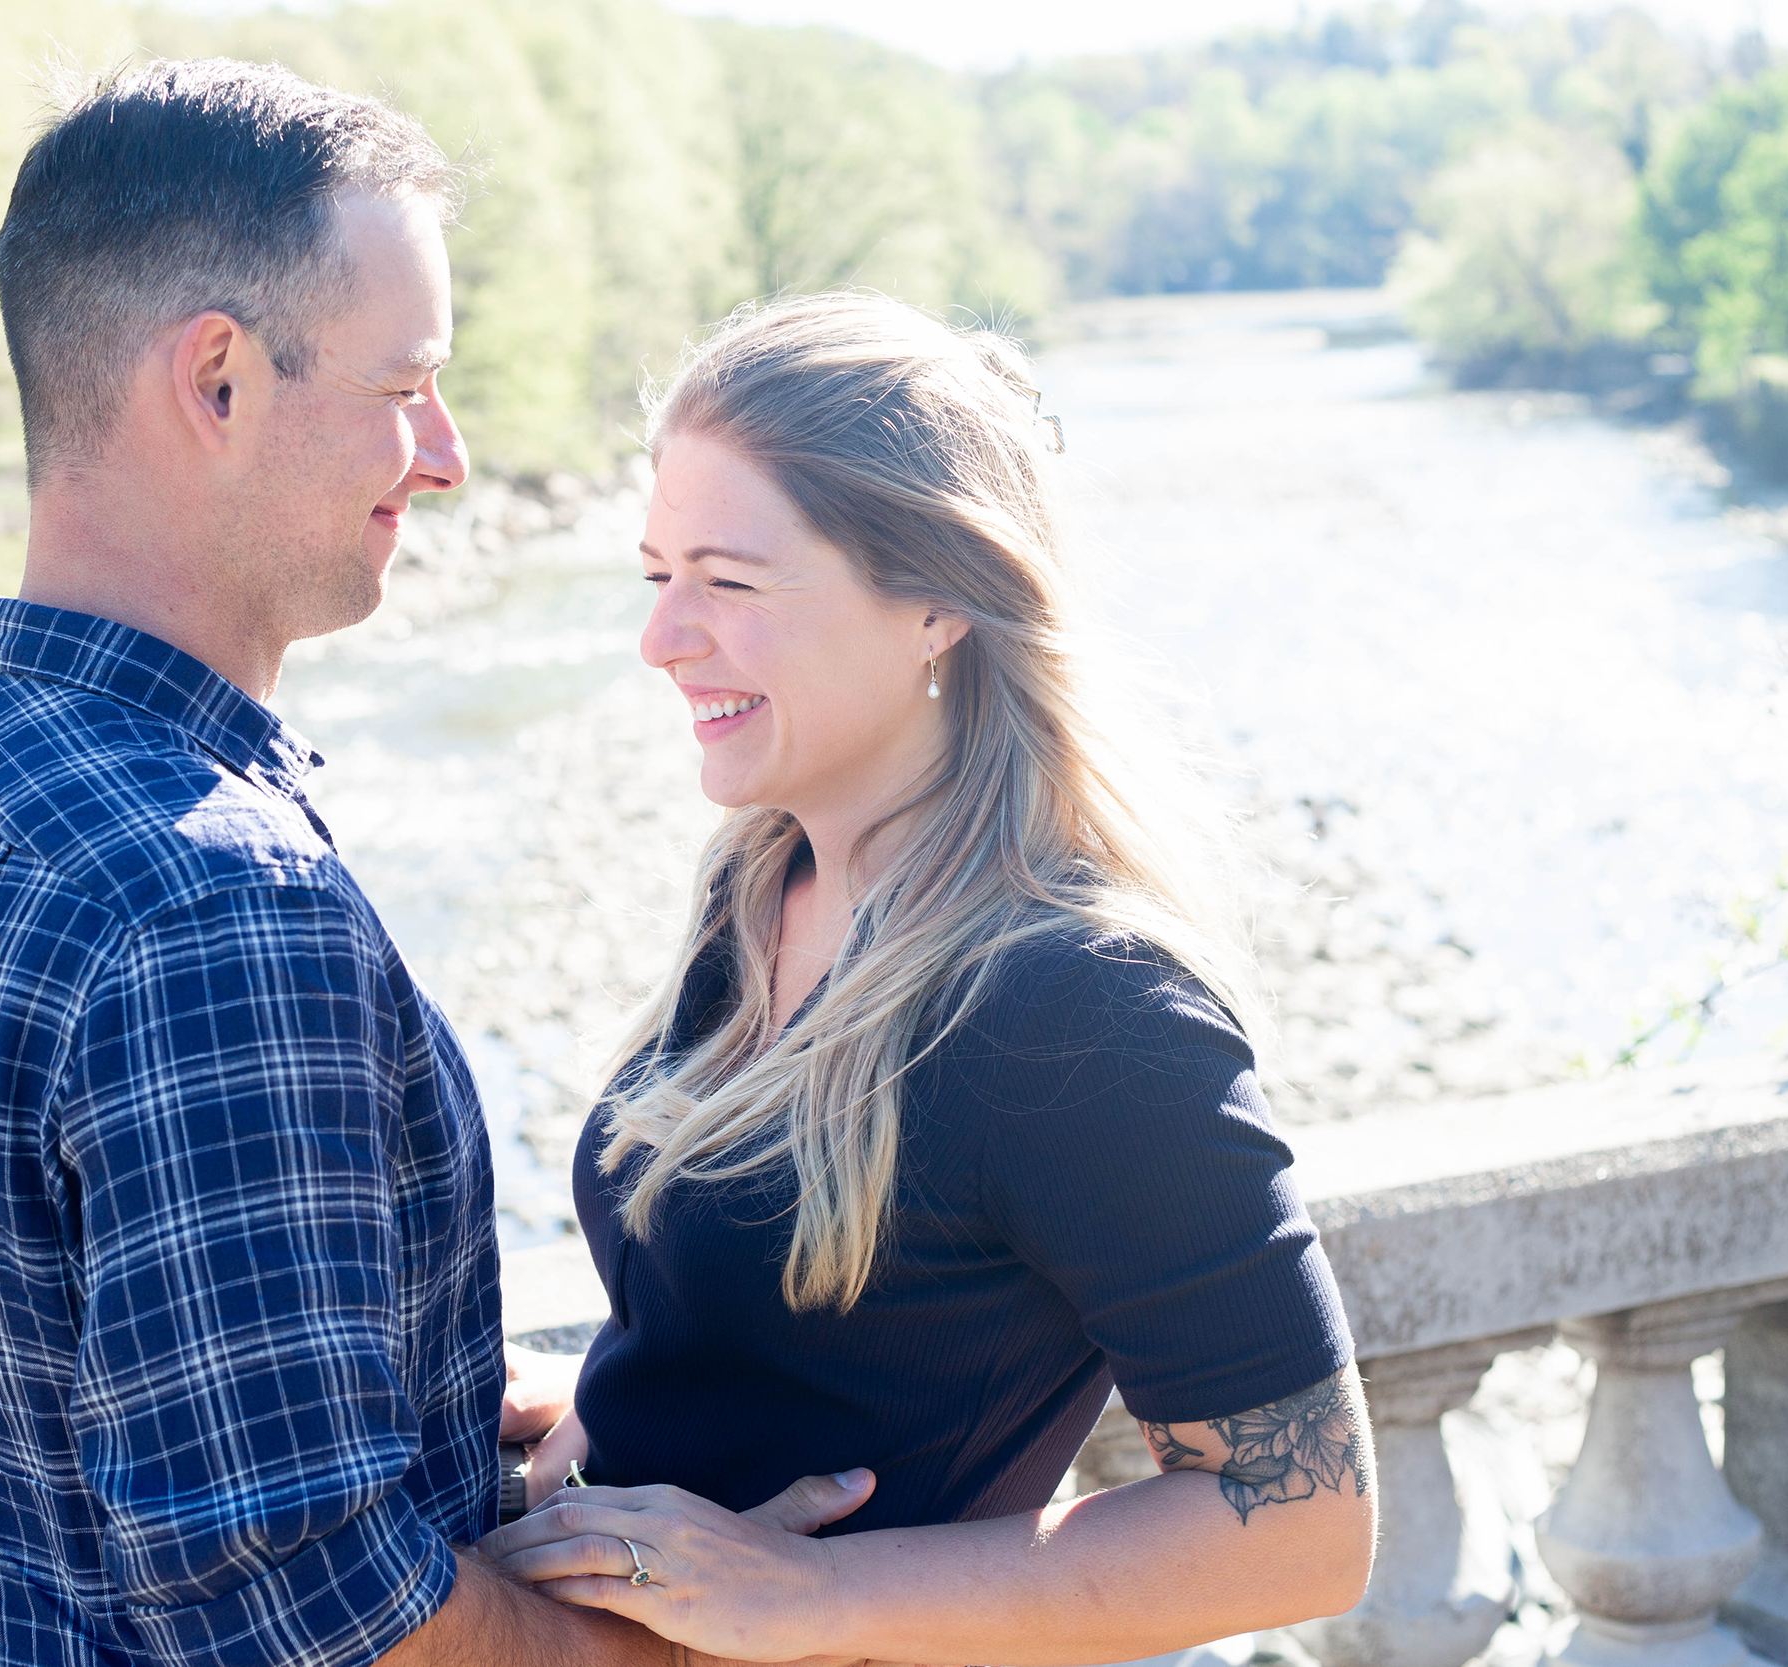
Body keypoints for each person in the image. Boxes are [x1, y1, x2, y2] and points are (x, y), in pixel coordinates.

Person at [0, 61, 858, 1667]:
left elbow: (51, 1362)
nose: (442, 454)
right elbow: (304, 1597)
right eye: (405, 384)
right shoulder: (213, 903)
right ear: (217, 380)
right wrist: (670, 1650)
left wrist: (419, 1382)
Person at [482, 294, 1379, 1665]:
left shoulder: (1084, 1007)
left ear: (937, 602)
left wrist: (817, 1595)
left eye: (729, 580)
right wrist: (613, 1397)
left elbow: (1305, 1521)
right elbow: (807, 1318)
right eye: (654, 573)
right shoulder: (760, 880)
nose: (663, 637)